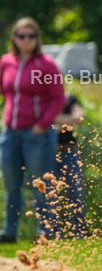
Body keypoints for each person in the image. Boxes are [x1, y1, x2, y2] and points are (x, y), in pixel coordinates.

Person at [0, 18, 65, 243]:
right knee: (11, 185)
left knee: (40, 184)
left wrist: (42, 125)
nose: (26, 40)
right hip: (10, 133)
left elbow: (58, 99)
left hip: (37, 134)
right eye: (21, 36)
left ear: (37, 39)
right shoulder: (6, 62)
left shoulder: (46, 64)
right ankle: (9, 231)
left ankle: (45, 231)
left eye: (31, 36)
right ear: (14, 39)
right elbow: (5, 93)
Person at [51, 93, 88, 239]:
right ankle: (53, 232)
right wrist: (65, 122)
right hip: (50, 153)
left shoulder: (71, 99)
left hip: (69, 151)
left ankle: (80, 231)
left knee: (77, 192)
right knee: (50, 193)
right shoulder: (45, 99)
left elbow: (78, 118)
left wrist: (54, 121)